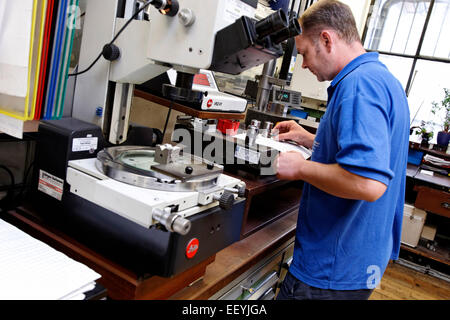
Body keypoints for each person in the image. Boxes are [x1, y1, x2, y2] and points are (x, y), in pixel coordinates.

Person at [273, 0, 410, 300]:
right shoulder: (382, 78)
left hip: (331, 270)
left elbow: (367, 182)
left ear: (326, 39)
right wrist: (311, 139)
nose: (305, 64)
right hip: (361, 258)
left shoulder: (359, 85)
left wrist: (299, 167)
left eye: (305, 54)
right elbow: (370, 151)